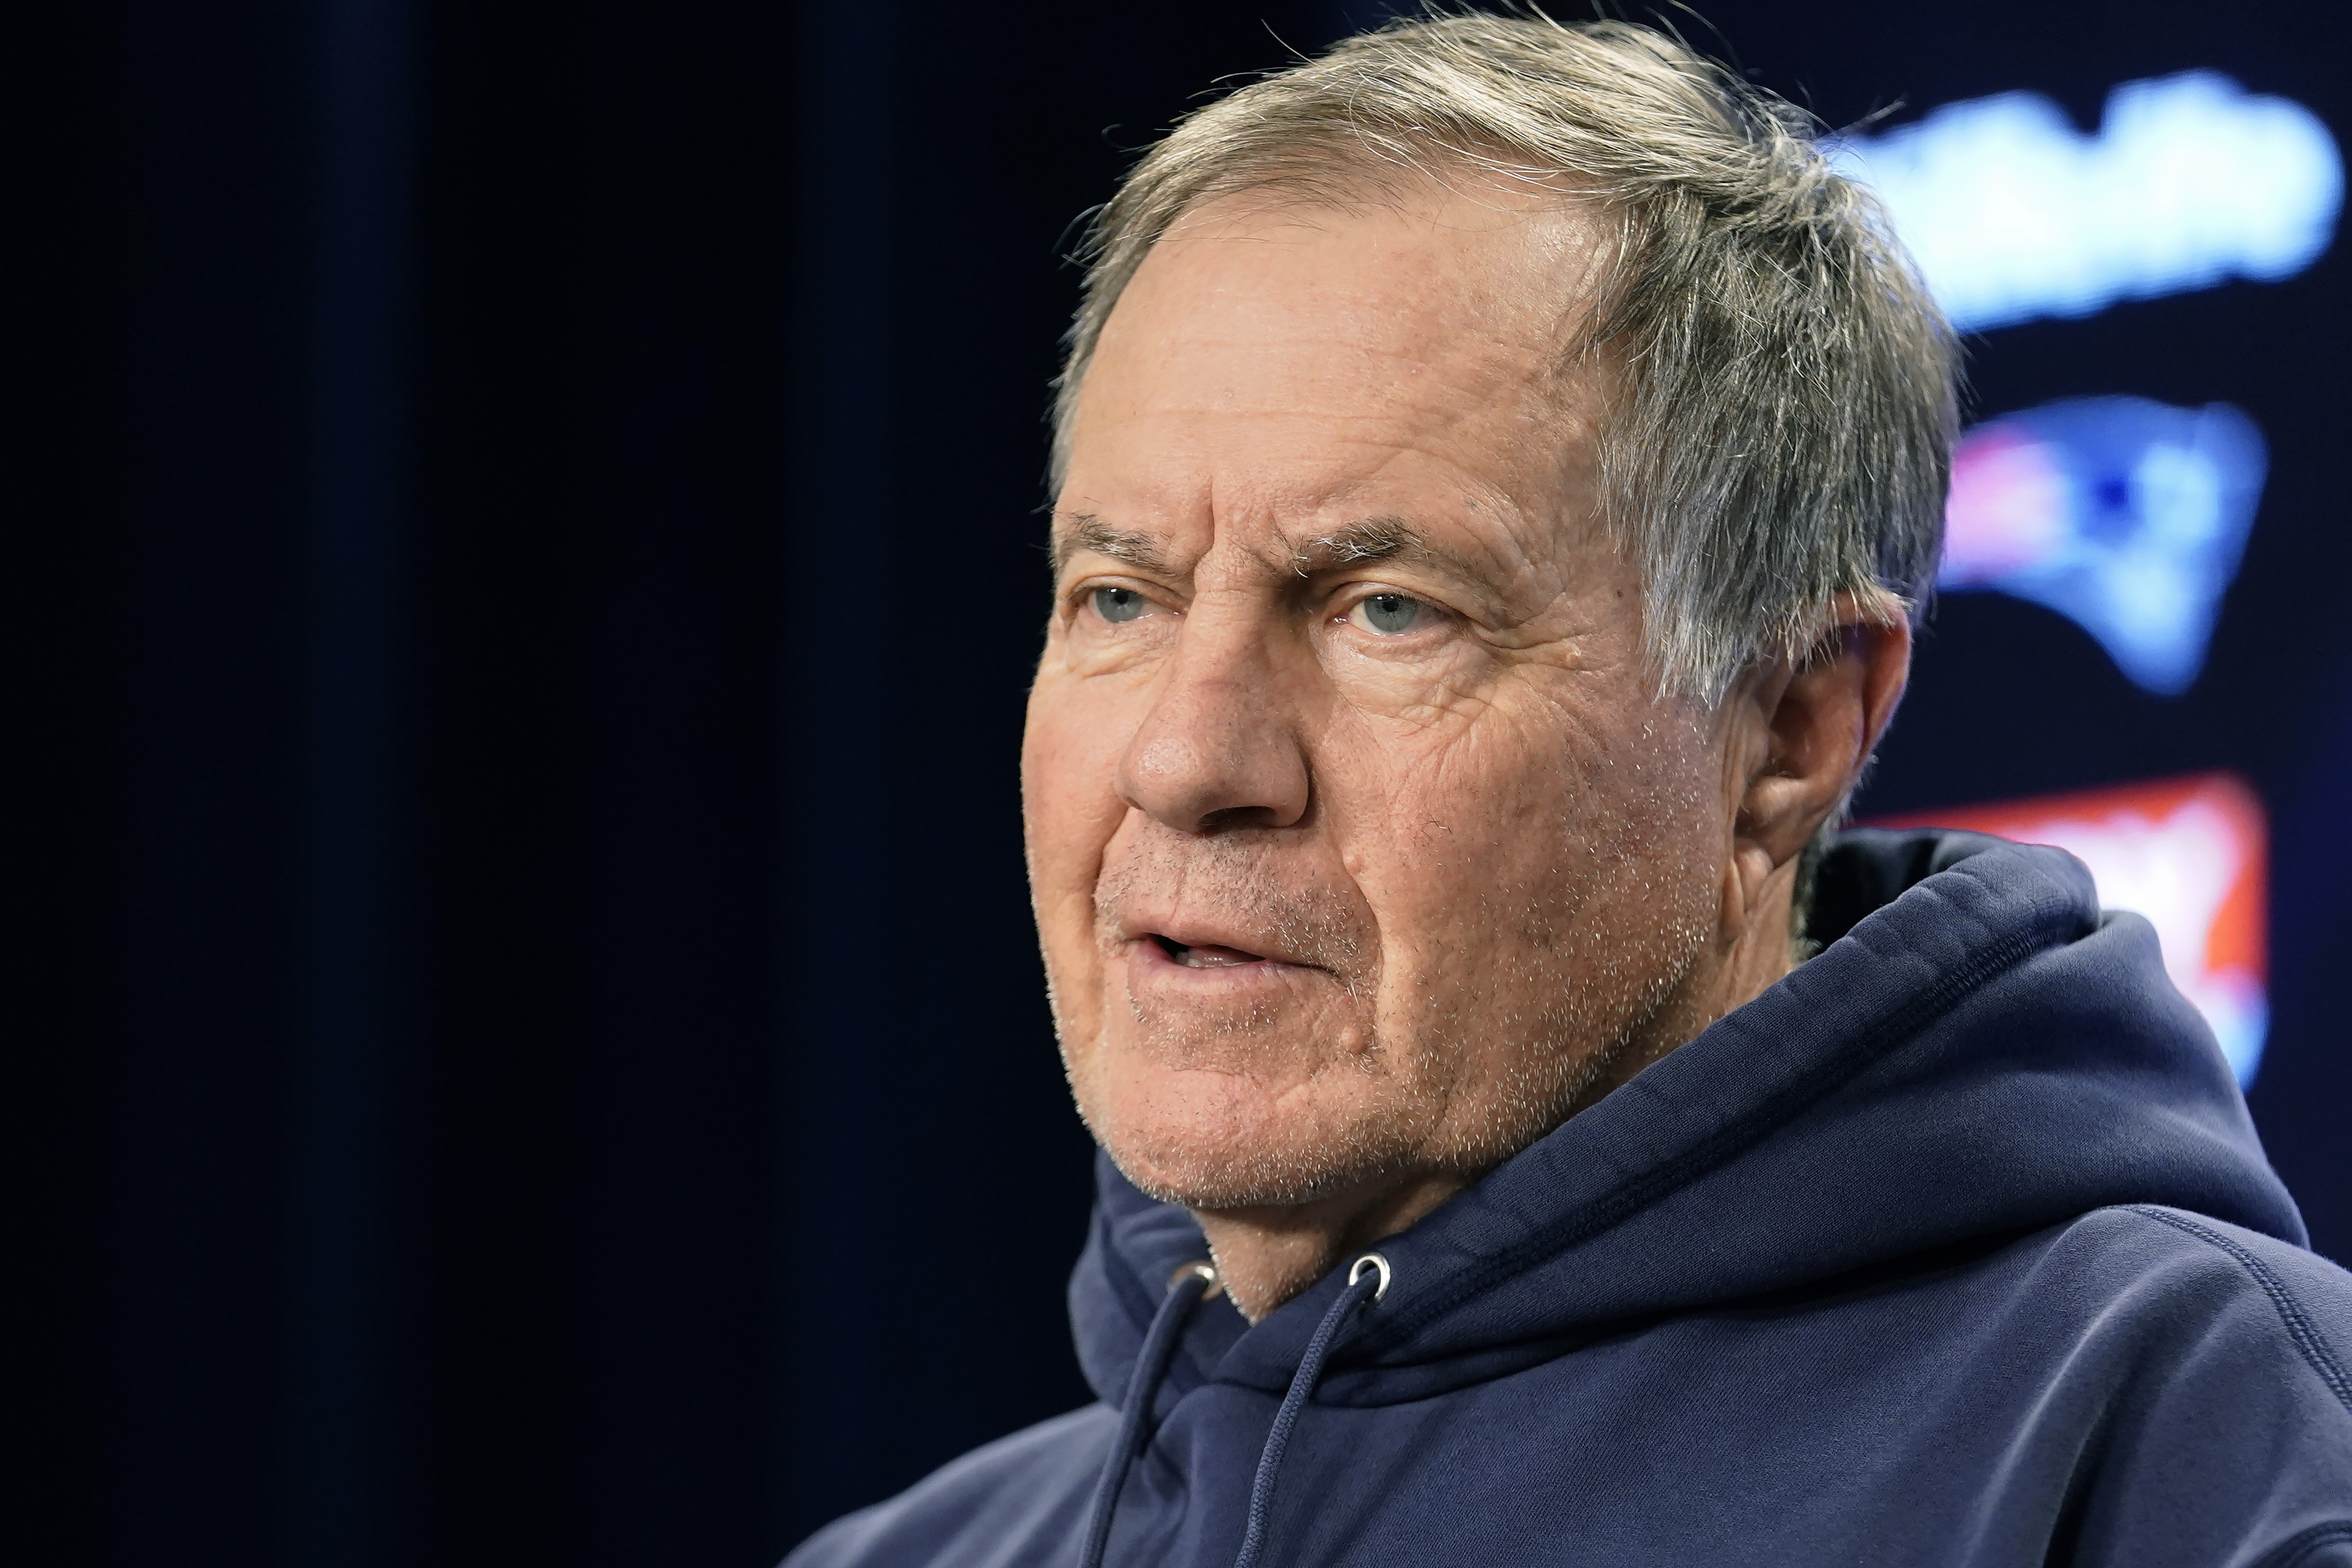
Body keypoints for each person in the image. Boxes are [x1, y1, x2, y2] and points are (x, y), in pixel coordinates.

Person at [790, 14, 2352, 1566]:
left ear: (1788, 730)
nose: (1187, 761)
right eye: (1119, 597)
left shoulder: (2193, 1451)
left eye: (1387, 607)